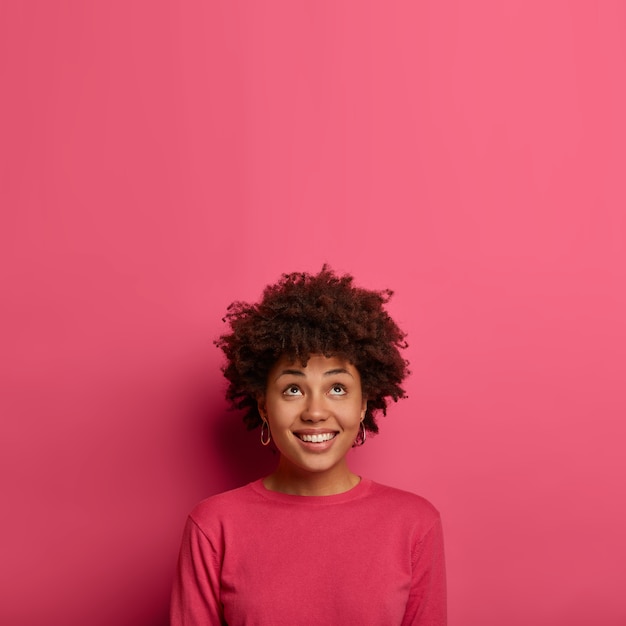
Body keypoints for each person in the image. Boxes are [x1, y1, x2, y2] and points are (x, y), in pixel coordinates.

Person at [170, 266, 446, 625]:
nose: (315, 412)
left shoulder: (415, 523)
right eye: (293, 389)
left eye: (337, 389)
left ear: (364, 403)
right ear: (264, 405)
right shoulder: (213, 526)